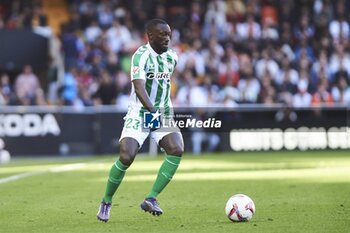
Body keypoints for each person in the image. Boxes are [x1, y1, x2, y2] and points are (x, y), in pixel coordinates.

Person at [97, 19, 184, 222]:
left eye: (169, 34)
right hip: (140, 111)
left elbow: (164, 85)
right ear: (150, 36)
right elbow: (139, 88)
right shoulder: (141, 56)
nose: (167, 38)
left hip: (162, 111)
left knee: (176, 149)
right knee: (127, 156)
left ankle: (151, 199)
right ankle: (107, 200)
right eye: (162, 34)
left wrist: (161, 112)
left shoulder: (172, 57)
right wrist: (152, 112)